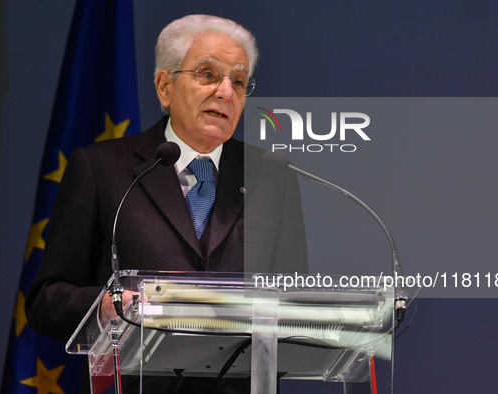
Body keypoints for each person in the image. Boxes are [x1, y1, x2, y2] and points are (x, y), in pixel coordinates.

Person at [25, 14, 308, 394]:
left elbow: (293, 298)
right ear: (164, 86)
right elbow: (47, 299)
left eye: (239, 81)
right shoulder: (102, 169)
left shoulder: (273, 176)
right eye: (208, 74)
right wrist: (105, 307)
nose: (226, 91)